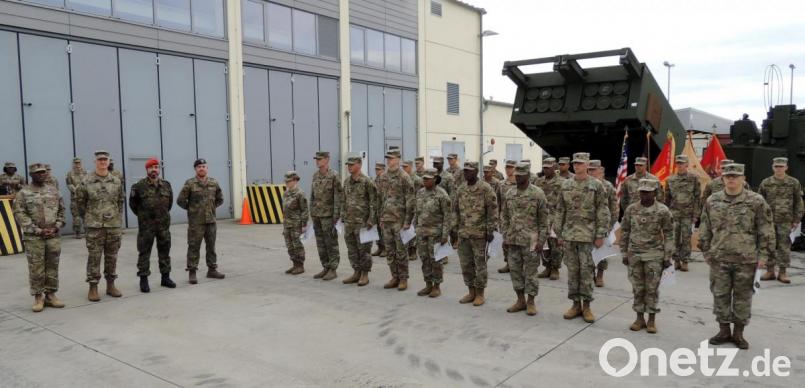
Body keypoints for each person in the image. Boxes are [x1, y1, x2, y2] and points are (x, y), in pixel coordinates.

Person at [699, 163, 774, 349]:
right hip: (719, 259)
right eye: (728, 176)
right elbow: (705, 228)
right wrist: (706, 252)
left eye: (735, 176)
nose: (731, 179)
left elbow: (766, 229)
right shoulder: (712, 200)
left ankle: (738, 333)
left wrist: (764, 255)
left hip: (746, 260)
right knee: (720, 295)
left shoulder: (756, 201)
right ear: (723, 179)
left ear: (743, 179)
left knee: (743, 298)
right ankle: (724, 331)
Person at [556, 152, 610, 323]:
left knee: (586, 272)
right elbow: (560, 210)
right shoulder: (566, 184)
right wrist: (559, 233)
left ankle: (586, 306)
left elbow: (603, 210)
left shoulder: (596, 185)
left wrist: (600, 234)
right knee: (573, 272)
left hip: (588, 236)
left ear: (587, 165)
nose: (576, 165)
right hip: (570, 236)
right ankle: (575, 304)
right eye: (575, 163)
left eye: (580, 163)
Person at [620, 179, 673, 333]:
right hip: (635, 254)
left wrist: (667, 256)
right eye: (642, 192)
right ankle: (639, 318)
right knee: (637, 288)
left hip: (654, 254)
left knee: (652, 288)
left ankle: (651, 319)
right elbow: (625, 231)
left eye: (648, 192)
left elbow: (669, 234)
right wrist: (624, 252)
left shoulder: (663, 210)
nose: (644, 195)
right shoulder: (631, 209)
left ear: (654, 193)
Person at [13, 163, 66, 312]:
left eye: (43, 172)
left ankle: (50, 295)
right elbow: (19, 214)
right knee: (36, 267)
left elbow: (62, 211)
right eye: (38, 173)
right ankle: (38, 297)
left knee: (52, 265)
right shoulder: (23, 193)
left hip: (53, 235)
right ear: (31, 175)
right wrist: (37, 230)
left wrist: (57, 226)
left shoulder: (54, 191)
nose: (42, 174)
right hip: (34, 237)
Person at [77, 150, 126, 301]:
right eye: (100, 160)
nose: (103, 162)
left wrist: (117, 218)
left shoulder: (116, 181)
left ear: (109, 161)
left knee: (112, 256)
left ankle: (111, 285)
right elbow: (80, 203)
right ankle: (93, 287)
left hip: (113, 226)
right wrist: (90, 218)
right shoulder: (86, 181)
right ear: (95, 162)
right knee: (94, 257)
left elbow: (120, 201)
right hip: (94, 227)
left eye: (105, 159)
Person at [501, 163, 549, 316]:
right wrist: (505, 235)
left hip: (531, 241)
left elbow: (544, 220)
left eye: (521, 175)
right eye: (517, 175)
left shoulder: (537, 193)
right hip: (513, 239)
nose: (518, 177)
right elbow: (504, 216)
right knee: (515, 272)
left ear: (528, 175)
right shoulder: (510, 193)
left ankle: (531, 302)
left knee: (531, 273)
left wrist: (541, 241)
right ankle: (520, 300)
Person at [454, 161, 498, 306]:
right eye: (465, 170)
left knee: (480, 266)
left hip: (480, 235)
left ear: (476, 172)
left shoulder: (485, 188)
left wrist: (490, 230)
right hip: (464, 234)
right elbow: (455, 210)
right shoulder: (461, 189)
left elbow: (492, 210)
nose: (466, 173)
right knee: (466, 264)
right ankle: (471, 291)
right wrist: (454, 229)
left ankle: (480, 294)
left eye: (469, 170)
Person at [129, 158, 175, 292]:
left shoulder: (166, 185)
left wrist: (161, 215)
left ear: (159, 169)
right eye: (151, 167)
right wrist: (144, 216)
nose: (154, 170)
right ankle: (143, 280)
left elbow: (169, 204)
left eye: (156, 167)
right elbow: (133, 205)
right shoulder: (138, 186)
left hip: (163, 226)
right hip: (146, 226)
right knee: (144, 252)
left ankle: (165, 278)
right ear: (147, 170)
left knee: (165, 251)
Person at [177, 158, 225, 284]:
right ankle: (192, 271)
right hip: (196, 222)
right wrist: (192, 210)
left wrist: (211, 208)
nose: (201, 168)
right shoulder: (190, 183)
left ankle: (212, 270)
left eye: (203, 166)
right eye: (199, 167)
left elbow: (220, 199)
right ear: (195, 169)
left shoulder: (214, 183)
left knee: (211, 246)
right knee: (194, 246)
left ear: (207, 168)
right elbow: (180, 200)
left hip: (211, 221)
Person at [758, 157, 803, 284]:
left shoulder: (793, 183)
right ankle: (770, 271)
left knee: (784, 246)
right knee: (769, 246)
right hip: (769, 220)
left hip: (786, 220)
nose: (779, 169)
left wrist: (796, 219)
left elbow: (798, 202)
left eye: (781, 166)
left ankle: (782, 272)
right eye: (776, 166)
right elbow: (759, 201)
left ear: (786, 167)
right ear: (773, 167)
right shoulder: (766, 183)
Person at [378, 150, 415, 291]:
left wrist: (408, 221)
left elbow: (410, 200)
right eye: (387, 158)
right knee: (390, 251)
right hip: (386, 219)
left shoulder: (404, 177)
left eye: (391, 158)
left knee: (401, 251)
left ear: (398, 159)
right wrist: (380, 217)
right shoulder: (383, 177)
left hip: (399, 220)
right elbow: (381, 198)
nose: (389, 160)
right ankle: (394, 276)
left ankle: (403, 278)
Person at [413, 168, 452, 298]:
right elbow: (417, 212)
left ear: (435, 179)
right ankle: (428, 284)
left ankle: (437, 286)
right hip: (422, 232)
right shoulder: (420, 193)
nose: (424, 181)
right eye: (423, 178)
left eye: (427, 179)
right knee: (425, 259)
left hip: (436, 233)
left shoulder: (442, 194)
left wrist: (445, 235)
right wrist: (415, 227)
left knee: (436, 260)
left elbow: (447, 216)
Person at [341, 156, 376, 286]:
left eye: (352, 164)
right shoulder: (346, 182)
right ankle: (356, 272)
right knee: (352, 249)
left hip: (363, 223)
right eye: (348, 165)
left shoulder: (367, 182)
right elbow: (344, 200)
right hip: (349, 222)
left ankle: (365, 274)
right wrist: (342, 216)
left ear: (359, 165)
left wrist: (371, 220)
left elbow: (374, 202)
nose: (349, 167)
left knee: (364, 250)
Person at [309, 151, 343, 281]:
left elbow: (338, 197)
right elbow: (312, 196)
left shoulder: (334, 175)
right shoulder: (315, 175)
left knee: (331, 243)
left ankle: (333, 269)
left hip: (329, 216)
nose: (317, 161)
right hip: (317, 215)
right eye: (316, 159)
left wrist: (336, 215)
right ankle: (325, 267)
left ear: (327, 159)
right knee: (320, 243)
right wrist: (312, 212)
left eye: (320, 159)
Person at [664, 155, 701, 272]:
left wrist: (696, 215)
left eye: (682, 163)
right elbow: (667, 199)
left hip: (688, 214)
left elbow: (697, 198)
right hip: (674, 213)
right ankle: (676, 260)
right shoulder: (670, 180)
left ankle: (685, 261)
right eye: (678, 163)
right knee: (674, 238)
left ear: (687, 164)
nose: (680, 165)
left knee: (686, 238)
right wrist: (666, 214)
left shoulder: (694, 179)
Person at [588, 160, 618, 287]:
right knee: (587, 252)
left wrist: (609, 227)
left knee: (602, 252)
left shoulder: (608, 186)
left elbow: (614, 208)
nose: (591, 172)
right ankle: (590, 275)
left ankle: (600, 276)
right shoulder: (586, 184)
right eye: (589, 170)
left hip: (603, 224)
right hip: (587, 225)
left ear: (600, 170)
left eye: (593, 170)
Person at [535, 157, 563, 280]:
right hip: (542, 217)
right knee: (543, 244)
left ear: (554, 168)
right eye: (544, 168)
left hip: (556, 217)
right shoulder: (538, 182)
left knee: (555, 245)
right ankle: (547, 267)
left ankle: (555, 268)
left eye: (548, 168)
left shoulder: (562, 182)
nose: (546, 170)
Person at [281, 171, 309, 276]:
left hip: (296, 224)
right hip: (287, 224)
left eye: (289, 181)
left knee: (297, 245)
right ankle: (294, 264)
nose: (287, 183)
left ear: (295, 180)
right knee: (289, 245)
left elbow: (304, 210)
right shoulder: (286, 193)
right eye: (286, 181)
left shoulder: (300, 194)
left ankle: (300, 266)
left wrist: (304, 224)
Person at [498, 159, 518, 274]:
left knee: (518, 242)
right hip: (505, 218)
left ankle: (518, 264)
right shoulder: (501, 184)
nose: (508, 170)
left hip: (519, 218)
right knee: (506, 241)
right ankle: (508, 263)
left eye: (511, 167)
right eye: (507, 167)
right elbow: (498, 202)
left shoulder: (521, 183)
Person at [403, 160, 423, 261]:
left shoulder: (417, 180)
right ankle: (407, 249)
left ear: (410, 167)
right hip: (405, 206)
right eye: (403, 167)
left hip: (414, 207)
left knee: (413, 228)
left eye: (406, 167)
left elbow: (421, 194)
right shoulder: (403, 178)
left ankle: (413, 250)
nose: (404, 169)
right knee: (406, 228)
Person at [65, 157, 87, 238]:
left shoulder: (85, 172)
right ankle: (77, 232)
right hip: (75, 198)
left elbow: (88, 183)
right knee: (76, 216)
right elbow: (69, 184)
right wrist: (74, 189)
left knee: (86, 216)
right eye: (76, 163)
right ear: (73, 163)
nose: (77, 164)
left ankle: (87, 231)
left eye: (79, 163)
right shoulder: (70, 173)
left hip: (84, 198)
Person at [372, 162, 387, 257]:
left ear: (383, 170)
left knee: (384, 230)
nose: (377, 171)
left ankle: (385, 248)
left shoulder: (386, 180)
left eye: (379, 169)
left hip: (383, 209)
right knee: (377, 229)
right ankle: (379, 247)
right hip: (376, 208)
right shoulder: (375, 180)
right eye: (376, 169)